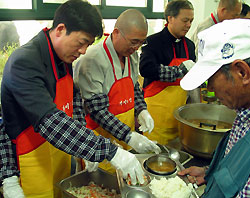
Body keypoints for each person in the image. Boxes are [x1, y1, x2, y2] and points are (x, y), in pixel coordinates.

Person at [1, 1, 150, 197]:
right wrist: (108, 151)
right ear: (61, 29)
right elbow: (51, 122)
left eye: (88, 45)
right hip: (30, 160)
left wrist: (84, 149)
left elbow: (74, 102)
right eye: (82, 43)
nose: (83, 51)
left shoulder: (62, 56)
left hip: (59, 155)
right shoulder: (24, 62)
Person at [74, 9, 161, 173]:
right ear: (116, 33)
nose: (136, 48)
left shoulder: (132, 55)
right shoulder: (93, 60)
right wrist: (130, 136)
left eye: (141, 43)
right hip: (99, 140)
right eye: (133, 42)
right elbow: (97, 110)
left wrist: (142, 110)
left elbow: (134, 87)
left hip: (123, 135)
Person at [179, 18, 250, 198]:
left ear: (242, 72)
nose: (209, 88)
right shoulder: (243, 112)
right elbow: (238, 164)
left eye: (211, 79)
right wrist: (210, 173)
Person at [139, 0, 196, 145]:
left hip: (178, 116)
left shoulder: (189, 46)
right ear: (170, 18)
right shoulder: (153, 42)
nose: (189, 25)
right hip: (155, 118)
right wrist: (178, 71)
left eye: (191, 21)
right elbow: (146, 69)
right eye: (185, 20)